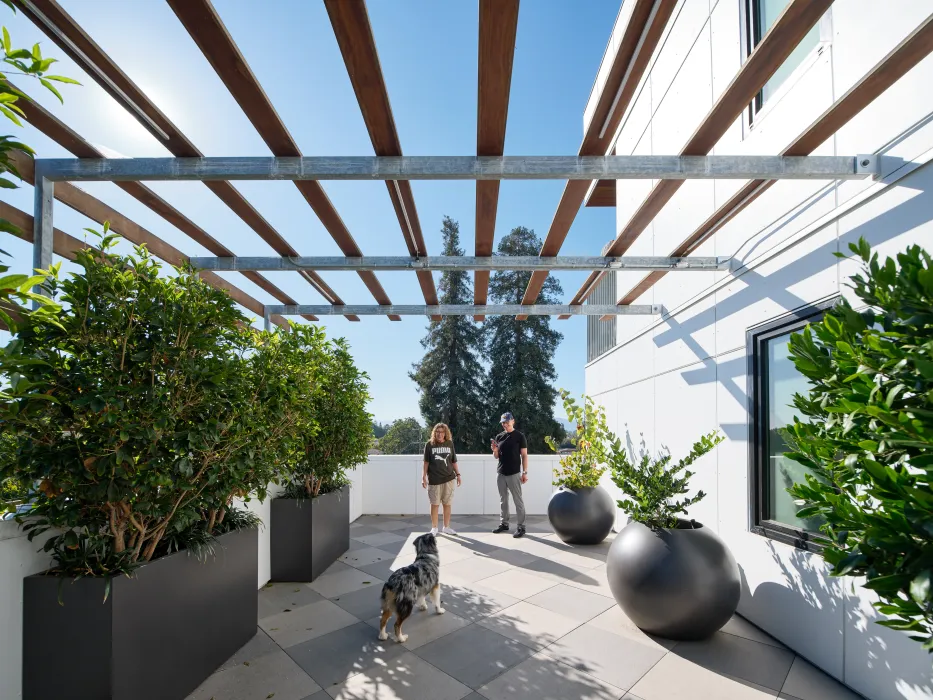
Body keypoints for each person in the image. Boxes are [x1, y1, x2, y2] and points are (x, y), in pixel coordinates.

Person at [490, 412, 528, 538]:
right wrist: (495, 450)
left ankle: (521, 527)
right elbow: (496, 456)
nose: (504, 424)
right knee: (503, 500)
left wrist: (525, 472)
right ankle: (504, 524)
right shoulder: (499, 436)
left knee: (518, 500)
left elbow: (524, 455)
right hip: (501, 473)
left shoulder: (519, 436)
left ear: (513, 421)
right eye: (503, 423)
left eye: (506, 422)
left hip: (514, 473)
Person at [422, 423, 461, 535]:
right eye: (437, 432)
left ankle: (446, 527)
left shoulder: (449, 444)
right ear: (434, 433)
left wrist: (458, 475)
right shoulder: (429, 445)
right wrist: (423, 477)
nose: (439, 434)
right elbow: (426, 462)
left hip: (449, 479)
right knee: (434, 504)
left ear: (445, 433)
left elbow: (453, 461)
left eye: (442, 432)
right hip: (434, 479)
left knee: (447, 504)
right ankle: (434, 528)